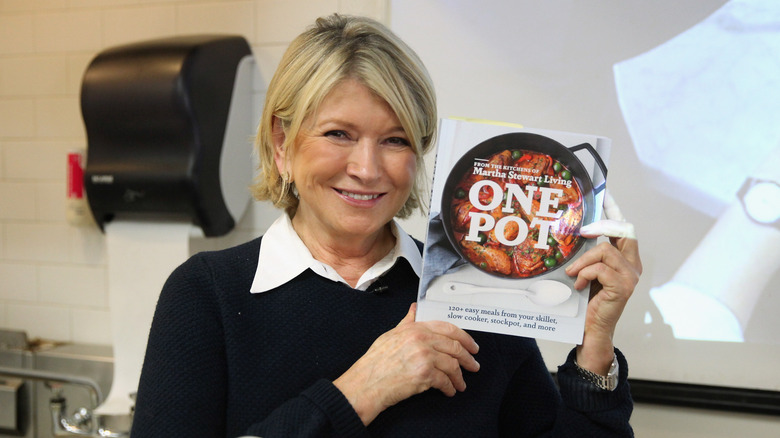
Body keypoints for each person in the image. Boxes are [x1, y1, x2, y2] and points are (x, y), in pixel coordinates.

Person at [130, 14, 642, 438]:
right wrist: (361, 390)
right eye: (339, 134)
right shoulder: (207, 294)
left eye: (395, 140)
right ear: (282, 144)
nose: (368, 169)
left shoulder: (479, 289)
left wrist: (595, 339)